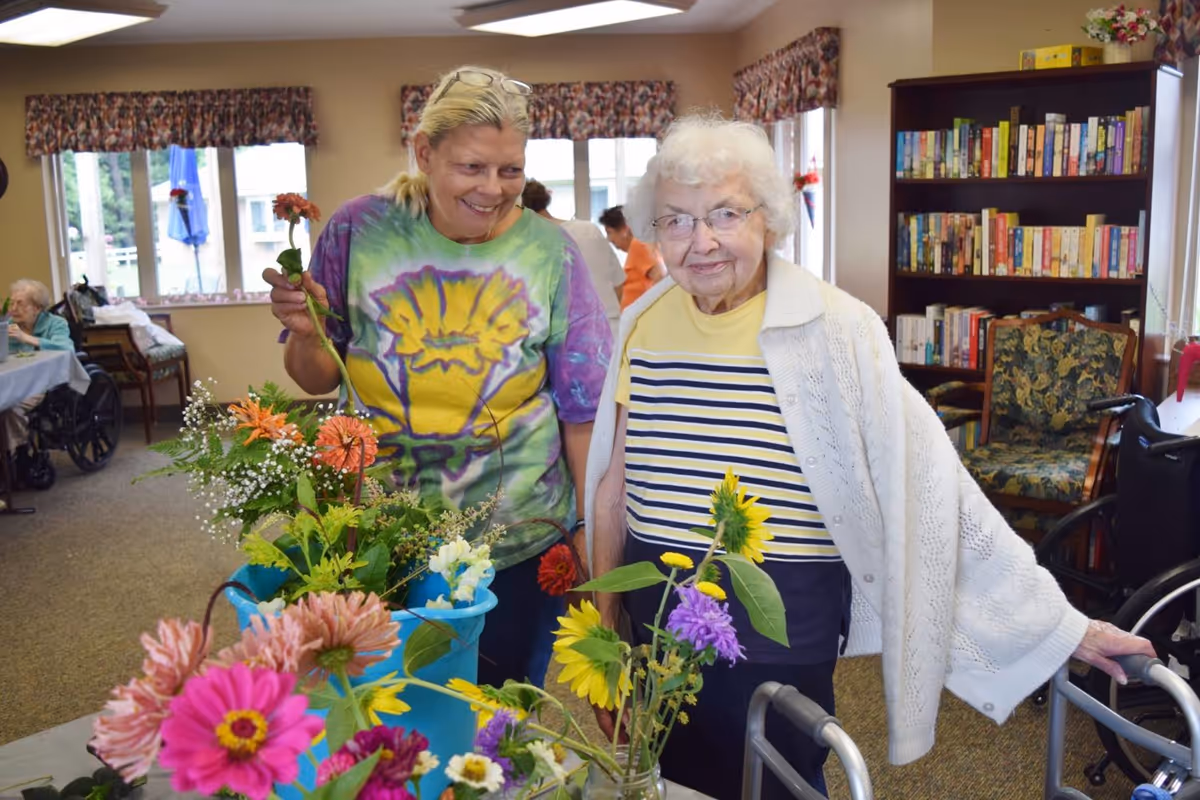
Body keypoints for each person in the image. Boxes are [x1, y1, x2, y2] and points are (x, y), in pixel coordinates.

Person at [582, 116, 1154, 800]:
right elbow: (612, 487)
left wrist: (1063, 627)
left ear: (766, 220)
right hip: (655, 601)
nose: (700, 241)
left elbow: (930, 487)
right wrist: (606, 626)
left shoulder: (836, 327)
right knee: (669, 776)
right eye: (675, 220)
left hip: (780, 612)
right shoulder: (642, 323)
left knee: (779, 774)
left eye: (724, 215)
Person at [264, 66, 612, 690]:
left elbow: (581, 410)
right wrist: (310, 332)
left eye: (511, 169)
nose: (495, 188)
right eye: (472, 167)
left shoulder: (550, 252)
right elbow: (314, 377)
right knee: (394, 709)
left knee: (502, 712)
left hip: (519, 535)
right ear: (425, 152)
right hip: (381, 530)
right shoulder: (357, 230)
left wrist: (585, 529)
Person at [522, 179, 625, 339]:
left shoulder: (533, 242)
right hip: (609, 327)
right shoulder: (588, 229)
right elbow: (619, 285)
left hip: (571, 336)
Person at [4, 279, 72, 457]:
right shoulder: (8, 326)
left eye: (20, 303)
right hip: (13, 381)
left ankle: (20, 451)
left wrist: (28, 339)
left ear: (37, 307)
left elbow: (66, 350)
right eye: (12, 302)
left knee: (11, 408)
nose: (14, 308)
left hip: (42, 381)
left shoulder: (55, 323)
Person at [599, 205, 665, 308]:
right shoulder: (636, 247)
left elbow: (660, 277)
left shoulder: (639, 244)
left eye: (610, 233)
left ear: (625, 229)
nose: (609, 239)